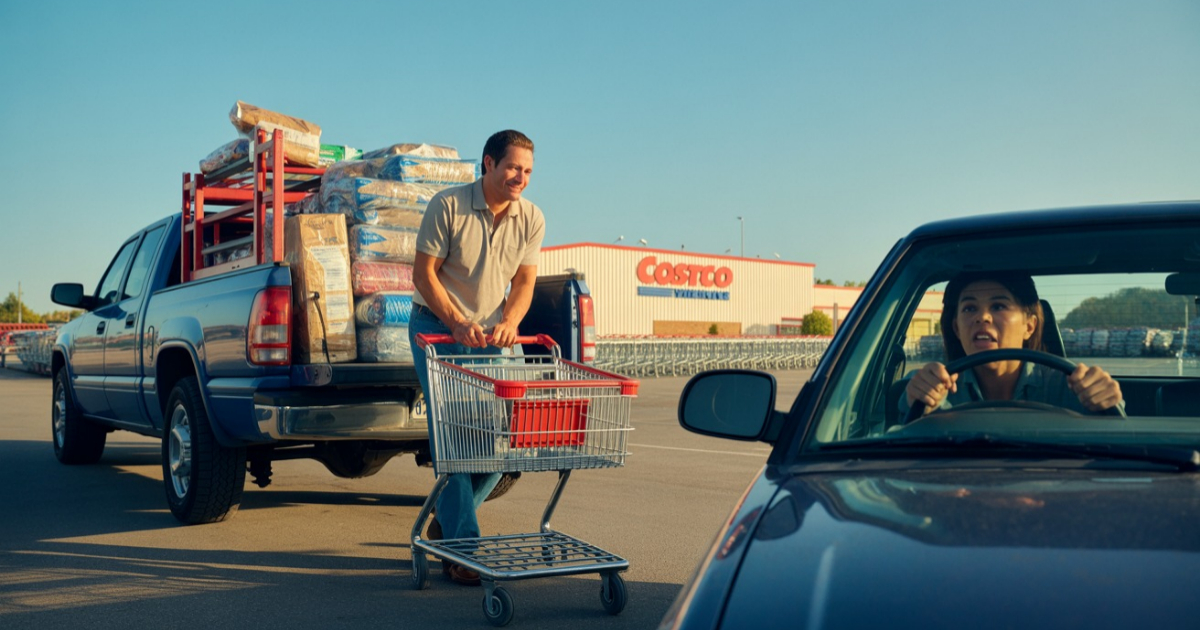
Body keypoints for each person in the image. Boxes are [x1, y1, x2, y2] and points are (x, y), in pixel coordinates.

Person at [408, 130, 544, 586]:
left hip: (493, 338)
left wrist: (511, 320)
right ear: (488, 164)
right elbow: (423, 273)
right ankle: (464, 548)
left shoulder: (532, 218)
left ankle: (446, 526)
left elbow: (524, 282)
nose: (519, 177)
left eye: (527, 170)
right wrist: (454, 321)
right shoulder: (447, 206)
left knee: (508, 443)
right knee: (455, 439)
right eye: (512, 167)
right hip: (437, 332)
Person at [903, 271, 1123, 417]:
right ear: (957, 329)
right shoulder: (929, 385)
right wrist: (920, 405)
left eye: (998, 306)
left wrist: (1104, 399)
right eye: (970, 308)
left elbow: (1116, 441)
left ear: (1029, 326)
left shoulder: (1068, 387)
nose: (983, 318)